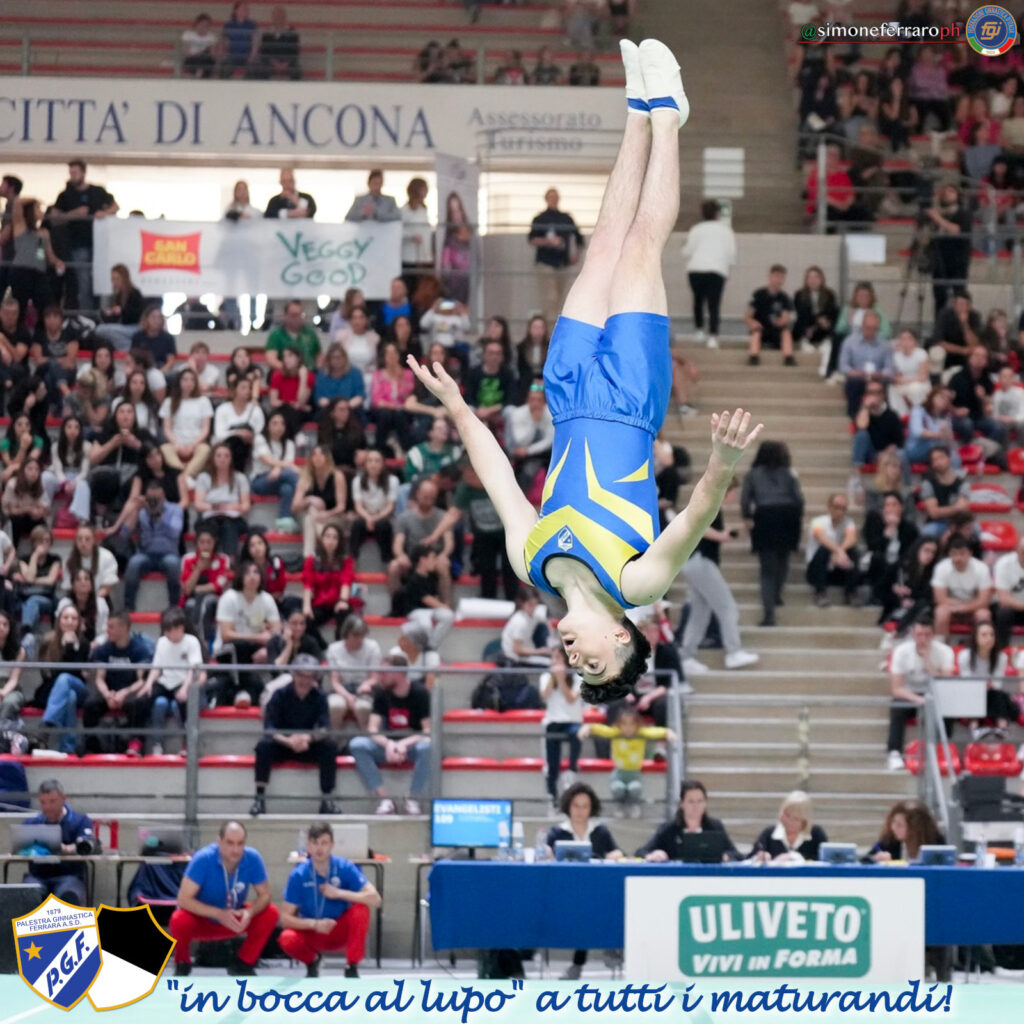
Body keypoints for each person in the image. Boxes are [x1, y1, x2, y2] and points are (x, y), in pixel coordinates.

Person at [409, 40, 761, 703]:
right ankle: (668, 119)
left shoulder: (532, 562)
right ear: (624, 638)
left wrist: (458, 407)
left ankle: (636, 107)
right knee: (638, 249)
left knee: (600, 243)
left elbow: (497, 476)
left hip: (567, 396)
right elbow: (693, 518)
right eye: (595, 665)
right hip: (629, 400)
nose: (576, 660)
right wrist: (721, 463)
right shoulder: (638, 585)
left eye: (577, 673)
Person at [170, 820, 279, 977]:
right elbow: (183, 899)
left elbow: (265, 895)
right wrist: (218, 914)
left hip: (234, 920)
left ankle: (244, 963)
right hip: (203, 921)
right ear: (219, 841)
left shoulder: (253, 858)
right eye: (230, 843)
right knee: (178, 919)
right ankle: (182, 963)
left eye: (240, 843)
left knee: (271, 913)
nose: (235, 850)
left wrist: (249, 912)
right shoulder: (203, 859)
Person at [278, 822, 382, 979]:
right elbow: (285, 919)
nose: (319, 849)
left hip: (339, 930)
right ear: (308, 846)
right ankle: (312, 961)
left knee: (361, 909)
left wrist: (339, 893)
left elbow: (375, 899)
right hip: (313, 931)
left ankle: (351, 966)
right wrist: (314, 924)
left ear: (332, 845)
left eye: (324, 843)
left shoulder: (344, 867)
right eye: (314, 843)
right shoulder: (298, 875)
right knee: (286, 938)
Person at [677, 477, 758, 674]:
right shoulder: (708, 503)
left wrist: (734, 532)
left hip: (694, 562)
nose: (734, 497)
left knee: (699, 612)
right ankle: (733, 652)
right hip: (701, 561)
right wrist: (721, 536)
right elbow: (697, 525)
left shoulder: (712, 507)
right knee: (727, 607)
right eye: (733, 492)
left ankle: (685, 656)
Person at [544, 782, 623, 979]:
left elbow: (617, 851)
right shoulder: (557, 833)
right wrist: (546, 853)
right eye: (576, 806)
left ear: (591, 808)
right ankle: (606, 944)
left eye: (585, 806)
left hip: (594, 889)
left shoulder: (600, 832)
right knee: (586, 904)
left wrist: (614, 855)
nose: (580, 811)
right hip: (563, 891)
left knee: (599, 900)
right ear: (568, 807)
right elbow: (545, 855)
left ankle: (584, 960)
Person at [250, 654, 338, 817]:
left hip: (308, 744)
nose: (304, 680)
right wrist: (288, 740)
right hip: (283, 743)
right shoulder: (279, 694)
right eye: (300, 675)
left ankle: (327, 799)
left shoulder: (320, 696)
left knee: (329, 747)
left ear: (314, 678)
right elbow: (269, 727)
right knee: (263, 747)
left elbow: (325, 727)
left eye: (308, 676)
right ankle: (259, 798)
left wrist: (308, 738)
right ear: (293, 675)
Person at [348, 652, 431, 815]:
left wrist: (403, 744)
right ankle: (385, 799)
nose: (380, 677)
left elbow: (427, 730)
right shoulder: (381, 693)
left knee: (428, 747)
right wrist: (389, 744)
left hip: (411, 747)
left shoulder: (420, 693)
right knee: (357, 744)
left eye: (384, 673)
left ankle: (413, 799)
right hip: (387, 747)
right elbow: (372, 728)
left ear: (399, 673)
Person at [740, 440, 803, 627]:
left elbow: (745, 500)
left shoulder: (752, 475)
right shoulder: (789, 473)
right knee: (784, 559)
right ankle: (776, 595)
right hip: (788, 514)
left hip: (765, 516)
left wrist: (747, 517)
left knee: (767, 569)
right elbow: (799, 499)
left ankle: (769, 615)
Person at [886, 616, 955, 770]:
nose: (923, 639)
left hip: (936, 693)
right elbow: (896, 689)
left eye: (927, 635)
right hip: (909, 694)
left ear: (933, 635)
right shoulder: (901, 652)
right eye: (919, 634)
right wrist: (918, 699)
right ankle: (894, 752)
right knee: (897, 707)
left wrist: (927, 661)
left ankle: (939, 749)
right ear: (912, 634)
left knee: (948, 707)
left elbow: (946, 684)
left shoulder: (945, 652)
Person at [579, 705, 672, 818]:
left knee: (635, 788)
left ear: (637, 725)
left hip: (634, 773)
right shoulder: (615, 733)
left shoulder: (641, 733)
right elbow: (601, 729)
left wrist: (668, 732)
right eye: (625, 724)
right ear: (619, 724)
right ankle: (619, 805)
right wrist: (587, 728)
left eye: (632, 724)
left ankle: (633, 805)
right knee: (618, 788)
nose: (628, 728)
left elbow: (656, 731)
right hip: (619, 772)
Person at [51, 160, 118, 314]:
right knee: (83, 281)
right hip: (77, 244)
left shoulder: (97, 191)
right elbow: (54, 218)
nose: (73, 176)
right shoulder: (65, 195)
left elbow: (115, 206)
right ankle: (87, 313)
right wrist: (74, 214)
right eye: (71, 173)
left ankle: (100, 311)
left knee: (101, 279)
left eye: (75, 173)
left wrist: (104, 213)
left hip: (99, 244)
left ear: (83, 173)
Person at [85, 612, 155, 756]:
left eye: (111, 627)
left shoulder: (140, 649)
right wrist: (107, 695)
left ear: (124, 628)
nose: (107, 630)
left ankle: (135, 743)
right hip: (109, 692)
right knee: (90, 704)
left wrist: (125, 692)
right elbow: (99, 678)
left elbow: (142, 680)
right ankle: (92, 745)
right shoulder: (103, 650)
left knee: (139, 703)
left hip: (130, 692)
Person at [213, 562, 282, 707]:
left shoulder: (266, 599)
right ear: (240, 577)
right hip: (228, 648)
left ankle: (276, 686)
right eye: (248, 573)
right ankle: (245, 690)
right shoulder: (229, 597)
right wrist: (258, 638)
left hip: (255, 646)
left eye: (256, 572)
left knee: (277, 643)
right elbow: (226, 635)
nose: (252, 576)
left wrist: (266, 647)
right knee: (241, 645)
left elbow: (276, 630)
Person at [21, 779, 98, 904]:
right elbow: (20, 848)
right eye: (43, 802)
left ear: (63, 799)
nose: (48, 807)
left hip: (69, 876)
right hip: (38, 876)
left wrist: (68, 849)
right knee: (27, 894)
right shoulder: (30, 824)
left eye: (52, 801)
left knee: (68, 896)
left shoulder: (80, 821)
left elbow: (87, 844)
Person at [140, 607, 204, 755]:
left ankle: (188, 742)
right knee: (145, 701)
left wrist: (185, 688)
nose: (167, 634)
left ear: (180, 628)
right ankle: (151, 743)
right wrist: (148, 684)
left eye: (170, 631)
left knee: (182, 704)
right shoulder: (162, 642)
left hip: (182, 682)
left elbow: (193, 669)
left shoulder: (191, 642)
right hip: (166, 682)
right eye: (165, 631)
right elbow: (157, 667)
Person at [637, 780, 739, 861]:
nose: (696, 806)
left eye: (700, 801)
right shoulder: (669, 829)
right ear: (682, 804)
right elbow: (641, 852)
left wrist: (726, 856)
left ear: (705, 803)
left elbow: (736, 854)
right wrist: (653, 855)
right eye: (691, 801)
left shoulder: (715, 827)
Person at [681, 199, 736, 349]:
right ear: (718, 213)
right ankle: (713, 335)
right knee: (714, 303)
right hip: (716, 270)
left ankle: (699, 330)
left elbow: (687, 251)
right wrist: (728, 267)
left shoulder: (696, 229)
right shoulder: (725, 230)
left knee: (698, 301)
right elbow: (731, 253)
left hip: (696, 269)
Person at [123, 481, 184, 612]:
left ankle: (175, 607)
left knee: (173, 565)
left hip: (169, 554)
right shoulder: (142, 511)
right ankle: (129, 607)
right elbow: (125, 532)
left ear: (163, 496)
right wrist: (136, 510)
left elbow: (175, 532)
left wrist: (160, 516)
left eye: (156, 498)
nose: (153, 502)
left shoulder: (175, 509)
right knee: (133, 564)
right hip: (147, 554)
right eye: (151, 499)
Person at [528, 187, 585, 323]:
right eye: (551, 197)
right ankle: (549, 333)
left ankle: (559, 328)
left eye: (556, 197)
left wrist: (576, 256)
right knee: (550, 298)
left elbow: (579, 239)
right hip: (546, 262)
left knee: (562, 299)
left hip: (562, 264)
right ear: (546, 199)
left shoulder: (566, 218)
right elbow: (532, 239)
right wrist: (548, 241)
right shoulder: (540, 219)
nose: (553, 200)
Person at [540, 647, 583, 807]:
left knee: (577, 734)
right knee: (552, 763)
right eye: (553, 658)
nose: (554, 662)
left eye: (558, 658)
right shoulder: (545, 677)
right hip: (553, 722)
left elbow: (571, 698)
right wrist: (554, 678)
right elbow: (544, 695)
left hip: (572, 721)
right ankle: (552, 794)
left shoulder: (578, 677)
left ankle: (571, 770)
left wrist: (562, 679)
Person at [194, 442, 251, 559]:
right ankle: (205, 562)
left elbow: (246, 506)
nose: (222, 459)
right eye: (218, 455)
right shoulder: (204, 477)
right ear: (213, 458)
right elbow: (198, 504)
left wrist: (229, 508)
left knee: (228, 526)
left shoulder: (240, 478)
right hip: (209, 517)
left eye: (226, 456)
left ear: (231, 459)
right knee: (210, 527)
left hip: (233, 519)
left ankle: (231, 561)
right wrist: (217, 507)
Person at [959, 621, 1017, 736]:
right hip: (971, 693)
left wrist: (989, 686)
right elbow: (965, 681)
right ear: (975, 637)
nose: (989, 638)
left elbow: (998, 683)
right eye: (984, 635)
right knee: (972, 695)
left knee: (1000, 695)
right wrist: (981, 686)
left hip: (991, 693)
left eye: (991, 635)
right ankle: (974, 728)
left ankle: (1002, 727)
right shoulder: (965, 655)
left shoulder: (1001, 657)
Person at [931, 535, 992, 642]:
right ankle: (941, 646)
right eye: (954, 554)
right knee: (940, 612)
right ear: (949, 554)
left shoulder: (981, 568)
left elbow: (984, 601)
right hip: (951, 609)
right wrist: (958, 607)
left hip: (973, 609)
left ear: (970, 553)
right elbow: (940, 599)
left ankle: (977, 647)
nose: (958, 558)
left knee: (983, 614)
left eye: (962, 553)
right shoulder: (941, 568)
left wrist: (963, 607)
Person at [326, 615, 382, 730]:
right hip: (341, 690)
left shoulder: (373, 647)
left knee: (363, 707)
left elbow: (375, 677)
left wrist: (366, 685)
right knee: (335, 706)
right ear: (346, 634)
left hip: (365, 690)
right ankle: (336, 742)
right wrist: (347, 696)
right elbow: (335, 681)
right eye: (356, 636)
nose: (359, 640)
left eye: (362, 635)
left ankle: (366, 740)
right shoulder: (333, 649)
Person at [805, 493, 860, 608]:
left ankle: (851, 593)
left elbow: (852, 538)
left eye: (843, 508)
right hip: (817, 571)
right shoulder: (817, 522)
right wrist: (838, 551)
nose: (840, 511)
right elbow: (821, 537)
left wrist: (840, 551)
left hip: (837, 569)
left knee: (853, 551)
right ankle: (820, 593)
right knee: (824, 549)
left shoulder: (849, 522)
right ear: (829, 507)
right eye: (837, 507)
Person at [293, 444, 348, 558]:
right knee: (310, 514)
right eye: (314, 455)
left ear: (328, 458)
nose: (317, 458)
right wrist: (309, 499)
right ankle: (327, 556)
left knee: (310, 519)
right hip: (312, 517)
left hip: (333, 517)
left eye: (321, 454)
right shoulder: (305, 477)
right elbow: (294, 507)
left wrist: (326, 514)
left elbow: (341, 507)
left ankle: (308, 559)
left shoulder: (337, 476)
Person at [160, 368, 213, 483]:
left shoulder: (203, 401)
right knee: (164, 449)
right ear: (179, 382)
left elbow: (205, 429)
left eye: (192, 380)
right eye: (185, 380)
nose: (188, 383)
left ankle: (183, 476)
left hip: (196, 443)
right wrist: (177, 445)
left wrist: (193, 446)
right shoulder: (169, 402)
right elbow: (167, 429)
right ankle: (185, 477)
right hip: (176, 443)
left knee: (205, 449)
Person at [839, 311, 894, 420]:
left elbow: (890, 368)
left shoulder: (885, 344)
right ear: (862, 326)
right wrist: (856, 373)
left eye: (874, 328)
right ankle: (854, 417)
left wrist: (880, 374)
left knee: (886, 385)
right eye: (868, 327)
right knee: (854, 383)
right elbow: (843, 366)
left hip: (878, 378)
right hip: (857, 377)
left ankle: (884, 419)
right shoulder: (850, 342)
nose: (871, 331)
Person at [252, 410, 300, 533]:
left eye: (282, 424)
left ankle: (284, 522)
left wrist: (278, 469)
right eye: (275, 423)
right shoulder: (259, 439)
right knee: (291, 474)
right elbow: (267, 460)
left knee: (287, 489)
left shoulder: (289, 444)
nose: (279, 427)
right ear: (268, 425)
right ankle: (300, 496)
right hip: (261, 480)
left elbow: (287, 465)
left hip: (280, 479)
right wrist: (280, 467)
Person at [749, 790, 828, 863]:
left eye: (795, 818)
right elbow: (749, 858)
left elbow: (826, 860)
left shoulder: (816, 835)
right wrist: (760, 858)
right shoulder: (769, 834)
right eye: (786, 814)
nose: (788, 821)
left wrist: (795, 857)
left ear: (804, 821)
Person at [350, 449, 399, 563]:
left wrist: (375, 518)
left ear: (383, 464)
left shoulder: (393, 480)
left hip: (384, 516)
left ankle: (387, 561)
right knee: (357, 524)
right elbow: (358, 506)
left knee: (383, 525)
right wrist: (368, 517)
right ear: (365, 464)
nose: (373, 464)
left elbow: (390, 507)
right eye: (370, 461)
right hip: (365, 515)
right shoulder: (357, 481)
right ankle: (352, 560)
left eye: (377, 461)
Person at [746, 264, 795, 366]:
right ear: (770, 277)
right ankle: (753, 357)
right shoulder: (759, 294)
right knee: (756, 332)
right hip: (761, 329)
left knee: (786, 332)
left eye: (782, 277)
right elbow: (747, 316)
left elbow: (786, 316)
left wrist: (782, 321)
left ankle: (789, 357)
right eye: (777, 276)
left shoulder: (784, 297)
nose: (779, 280)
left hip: (776, 330)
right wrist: (752, 322)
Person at [867, 799, 944, 862]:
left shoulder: (935, 844)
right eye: (893, 822)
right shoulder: (888, 843)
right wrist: (875, 859)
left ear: (915, 828)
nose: (893, 827)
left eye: (899, 825)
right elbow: (865, 860)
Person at [917, 445, 969, 538]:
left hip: (959, 521)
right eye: (935, 460)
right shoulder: (928, 484)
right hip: (938, 523)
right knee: (928, 532)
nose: (939, 462)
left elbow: (963, 507)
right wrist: (956, 508)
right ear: (932, 464)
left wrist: (945, 511)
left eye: (941, 457)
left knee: (976, 530)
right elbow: (934, 513)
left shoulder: (961, 480)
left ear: (949, 459)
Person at [852, 381, 905, 470]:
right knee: (861, 434)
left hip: (887, 453)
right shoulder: (862, 413)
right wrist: (866, 407)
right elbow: (861, 426)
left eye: (878, 392)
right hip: (870, 453)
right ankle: (856, 475)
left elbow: (899, 442)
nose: (874, 396)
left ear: (883, 395)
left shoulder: (892, 415)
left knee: (901, 454)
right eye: (871, 392)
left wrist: (887, 452)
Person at [792, 266, 839, 362]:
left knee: (835, 314)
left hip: (823, 325)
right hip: (806, 325)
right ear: (806, 280)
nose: (813, 280)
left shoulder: (829, 294)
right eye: (810, 277)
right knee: (803, 317)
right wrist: (816, 320)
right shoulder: (799, 294)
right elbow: (800, 313)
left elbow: (831, 311)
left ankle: (826, 342)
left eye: (816, 277)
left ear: (821, 279)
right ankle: (804, 341)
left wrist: (824, 321)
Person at [501, 587, 553, 667]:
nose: (533, 608)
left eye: (535, 604)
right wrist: (540, 651)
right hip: (516, 658)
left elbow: (546, 621)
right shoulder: (519, 621)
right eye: (530, 605)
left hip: (529, 652)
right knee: (551, 664)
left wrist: (551, 639)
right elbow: (517, 649)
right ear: (522, 603)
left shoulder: (533, 614)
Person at [266, 299, 321, 373]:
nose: (297, 318)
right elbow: (271, 359)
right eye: (294, 315)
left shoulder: (310, 334)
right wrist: (290, 370)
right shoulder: (276, 335)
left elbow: (319, 355)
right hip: (284, 374)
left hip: (309, 373)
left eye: (300, 315)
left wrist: (316, 369)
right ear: (285, 316)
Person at [401, 177, 433, 292]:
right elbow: (398, 231)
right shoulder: (405, 211)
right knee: (411, 287)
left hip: (423, 257)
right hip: (410, 258)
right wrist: (411, 236)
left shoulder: (423, 209)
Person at [994, 535, 1024, 647]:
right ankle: (1002, 650)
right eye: (1023, 551)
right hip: (1009, 609)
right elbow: (1004, 599)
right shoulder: (1004, 564)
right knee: (1004, 613)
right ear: (1016, 550)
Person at [256, 4, 300, 80]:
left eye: (280, 15)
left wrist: (286, 64)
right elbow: (264, 51)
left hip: (288, 62)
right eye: (275, 16)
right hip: (271, 62)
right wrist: (274, 63)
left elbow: (295, 51)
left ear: (284, 17)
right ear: (272, 18)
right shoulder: (267, 33)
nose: (278, 18)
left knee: (297, 70)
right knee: (261, 69)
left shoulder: (292, 32)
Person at [221, 1, 259, 77]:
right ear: (235, 11)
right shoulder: (229, 25)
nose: (244, 11)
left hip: (247, 56)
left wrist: (252, 57)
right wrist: (225, 54)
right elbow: (224, 42)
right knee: (224, 69)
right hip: (232, 56)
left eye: (246, 9)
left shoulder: (252, 25)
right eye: (242, 9)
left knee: (254, 69)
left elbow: (255, 43)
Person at [181, 12, 217, 78]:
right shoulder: (188, 34)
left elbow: (213, 55)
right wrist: (196, 54)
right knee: (198, 59)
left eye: (206, 25)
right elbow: (185, 52)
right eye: (201, 24)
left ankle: (199, 73)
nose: (203, 27)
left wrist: (204, 53)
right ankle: (200, 72)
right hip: (192, 59)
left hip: (206, 60)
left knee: (206, 58)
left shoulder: (211, 37)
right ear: (196, 24)